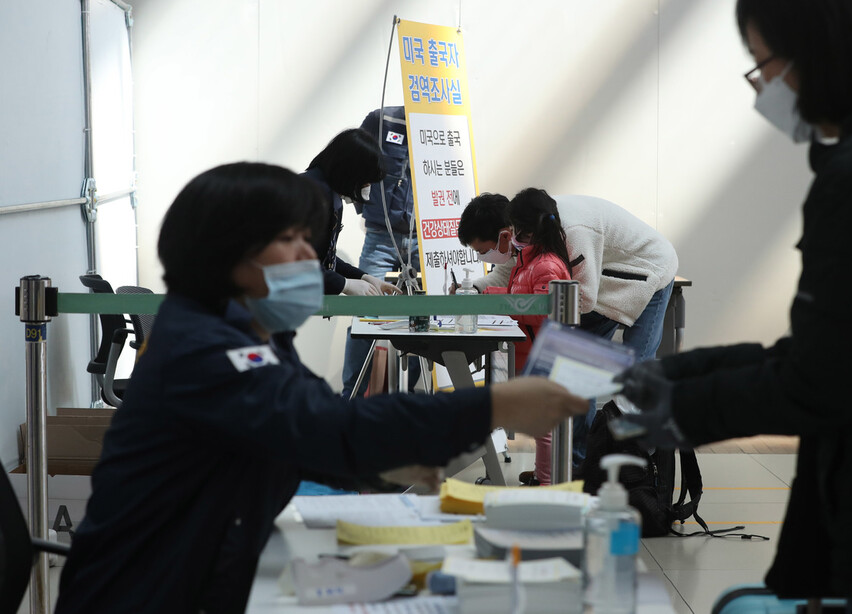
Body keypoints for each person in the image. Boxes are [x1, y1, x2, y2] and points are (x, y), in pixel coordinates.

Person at [54, 162, 588, 613]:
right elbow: (329, 427)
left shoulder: (252, 331)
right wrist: (494, 403)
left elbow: (299, 419)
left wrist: (382, 463)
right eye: (289, 241)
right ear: (229, 256)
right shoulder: (204, 350)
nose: (310, 258)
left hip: (209, 570)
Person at [614, 0, 852, 610]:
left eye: (763, 64)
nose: (762, 87)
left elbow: (831, 378)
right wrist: (685, 372)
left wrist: (686, 407)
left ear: (818, 56)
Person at [456, 188, 679, 475]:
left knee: (636, 372)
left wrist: (518, 301)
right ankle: (576, 465)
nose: (482, 256)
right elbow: (509, 273)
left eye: (481, 250)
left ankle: (639, 471)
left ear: (503, 234)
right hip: (597, 281)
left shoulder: (569, 232)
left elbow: (581, 301)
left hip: (649, 269)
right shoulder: (525, 229)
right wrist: (474, 288)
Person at [464, 192, 573, 485]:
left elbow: (541, 312)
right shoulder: (527, 260)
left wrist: (497, 301)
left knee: (545, 427)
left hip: (541, 353)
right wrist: (490, 296)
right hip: (527, 351)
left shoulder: (547, 265)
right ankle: (542, 474)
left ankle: (549, 482)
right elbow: (519, 297)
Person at [341, 107, 422, 398]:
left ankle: (407, 395)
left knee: (422, 320)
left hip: (423, 242)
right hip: (380, 237)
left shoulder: (442, 121)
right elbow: (353, 165)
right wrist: (366, 209)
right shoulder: (381, 120)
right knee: (363, 315)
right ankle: (351, 396)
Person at [302, 128, 401, 298]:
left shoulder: (328, 194)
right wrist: (345, 284)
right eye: (365, 179)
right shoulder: (309, 196)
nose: (367, 186)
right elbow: (298, 263)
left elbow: (324, 257)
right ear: (350, 170)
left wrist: (364, 277)